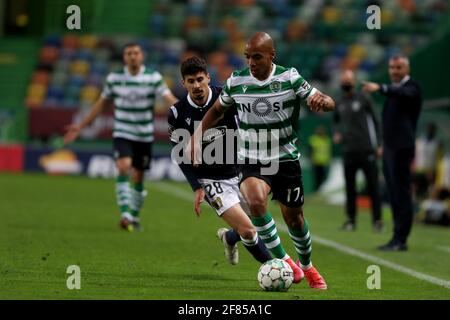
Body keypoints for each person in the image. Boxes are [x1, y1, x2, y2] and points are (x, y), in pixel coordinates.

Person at [190, 32, 335, 289]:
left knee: (295, 220)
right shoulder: (236, 82)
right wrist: (196, 137)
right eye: (247, 57)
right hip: (251, 159)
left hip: (285, 159)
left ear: (271, 56)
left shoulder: (289, 78)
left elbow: (328, 101)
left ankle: (307, 265)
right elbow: (216, 111)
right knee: (255, 202)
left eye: (257, 57)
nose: (251, 62)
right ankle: (284, 261)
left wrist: (323, 101)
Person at [168, 56, 272, 265]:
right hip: (210, 180)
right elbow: (181, 154)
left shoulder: (226, 98)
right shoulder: (177, 113)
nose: (196, 85)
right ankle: (276, 266)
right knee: (250, 232)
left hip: (239, 171)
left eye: (199, 79)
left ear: (208, 77)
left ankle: (229, 237)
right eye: (191, 81)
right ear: (184, 84)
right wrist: (196, 187)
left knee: (256, 219)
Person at [64, 43, 178, 231]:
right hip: (123, 132)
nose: (132, 56)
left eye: (136, 53)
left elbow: (169, 99)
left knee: (139, 177)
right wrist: (80, 126)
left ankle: (133, 215)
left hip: (144, 135)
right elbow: (101, 104)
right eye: (128, 53)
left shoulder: (153, 77)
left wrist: (186, 109)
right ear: (124, 57)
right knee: (123, 166)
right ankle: (125, 213)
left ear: (142, 56)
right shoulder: (114, 78)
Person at [363, 54, 422, 251]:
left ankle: (401, 239)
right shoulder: (396, 91)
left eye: (398, 67)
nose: (394, 71)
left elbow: (405, 95)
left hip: (402, 148)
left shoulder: (412, 87)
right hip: (390, 149)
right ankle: (397, 237)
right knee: (394, 193)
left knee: (402, 193)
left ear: (407, 69)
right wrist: (383, 145)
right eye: (392, 67)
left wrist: (381, 88)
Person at [334, 70, 383, 232]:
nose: (345, 83)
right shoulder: (339, 102)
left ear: (354, 82)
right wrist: (337, 133)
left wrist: (379, 144)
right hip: (349, 150)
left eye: (348, 80)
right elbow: (335, 121)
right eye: (343, 80)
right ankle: (351, 220)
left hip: (366, 149)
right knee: (350, 188)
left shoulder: (363, 99)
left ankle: (377, 220)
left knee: (373, 187)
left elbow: (376, 121)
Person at [308, 126, 332, 192]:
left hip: (325, 162)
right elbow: (310, 150)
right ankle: (316, 191)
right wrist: (311, 159)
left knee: (324, 178)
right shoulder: (313, 139)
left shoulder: (327, 139)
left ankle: (320, 190)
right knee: (317, 178)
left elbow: (329, 150)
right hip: (316, 162)